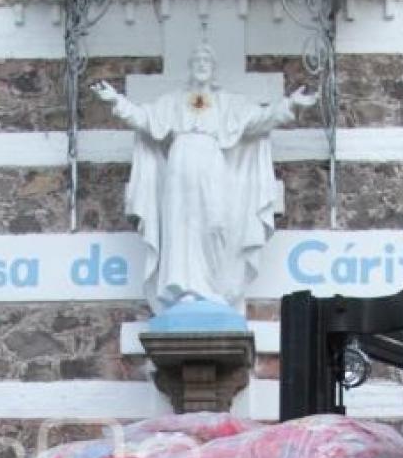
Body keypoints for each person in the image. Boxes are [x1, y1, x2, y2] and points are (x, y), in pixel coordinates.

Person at [93, 42, 318, 309]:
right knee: (181, 225)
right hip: (180, 161)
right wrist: (117, 101)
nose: (201, 65)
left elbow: (260, 120)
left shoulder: (229, 103)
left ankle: (213, 286)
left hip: (211, 162)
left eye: (206, 61)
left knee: (216, 223)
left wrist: (291, 104)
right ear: (190, 68)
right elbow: (144, 119)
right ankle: (184, 287)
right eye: (197, 61)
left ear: (213, 69)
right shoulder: (173, 101)